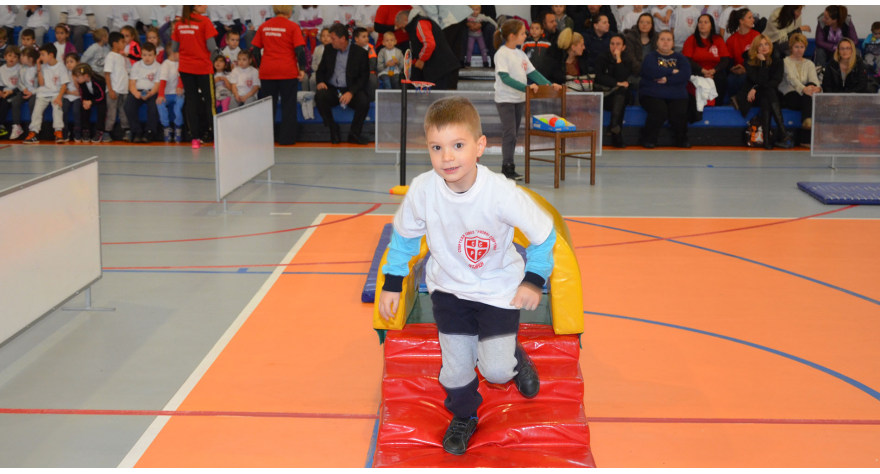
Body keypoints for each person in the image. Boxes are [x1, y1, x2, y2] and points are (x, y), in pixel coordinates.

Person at [377, 95, 553, 457]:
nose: (447, 157)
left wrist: (533, 280)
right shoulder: (424, 190)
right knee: (456, 369)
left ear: (480, 146)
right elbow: (405, 238)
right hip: (449, 289)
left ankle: (514, 358)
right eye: (437, 147)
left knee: (497, 371)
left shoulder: (500, 193)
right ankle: (463, 414)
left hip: (498, 288)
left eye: (458, 146)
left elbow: (544, 234)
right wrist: (392, 282)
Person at [492, 19, 561, 180]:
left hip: (519, 99)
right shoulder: (501, 54)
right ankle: (507, 167)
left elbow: (533, 74)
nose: (526, 36)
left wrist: (550, 86)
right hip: (505, 100)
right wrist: (527, 88)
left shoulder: (521, 53)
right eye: (523, 33)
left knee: (514, 134)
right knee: (509, 133)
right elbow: (505, 78)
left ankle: (509, 165)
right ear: (512, 36)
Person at [251, 5, 307, 146]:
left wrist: (260, 66)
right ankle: (287, 139)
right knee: (288, 105)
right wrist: (301, 68)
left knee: (268, 106)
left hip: (268, 71)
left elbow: (255, 50)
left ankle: (265, 139)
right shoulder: (293, 27)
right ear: (289, 11)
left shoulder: (264, 26)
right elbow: (300, 50)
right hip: (287, 71)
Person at [731, 35, 793, 149]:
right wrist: (763, 64)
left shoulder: (778, 60)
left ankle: (767, 140)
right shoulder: (749, 61)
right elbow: (757, 80)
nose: (764, 47)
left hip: (764, 93)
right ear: (756, 48)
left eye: (766, 44)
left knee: (767, 97)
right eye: (760, 45)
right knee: (768, 93)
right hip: (751, 97)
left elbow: (775, 81)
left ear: (770, 46)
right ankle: (782, 132)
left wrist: (755, 88)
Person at [315, 23, 371, 145]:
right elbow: (320, 70)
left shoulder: (360, 53)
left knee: (364, 101)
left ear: (343, 39)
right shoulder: (329, 49)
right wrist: (320, 82)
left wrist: (351, 92)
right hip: (332, 89)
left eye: (333, 38)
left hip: (350, 89)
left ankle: (354, 134)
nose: (331, 41)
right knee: (319, 96)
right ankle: (333, 128)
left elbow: (364, 78)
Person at [172, 5, 218, 148]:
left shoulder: (180, 24)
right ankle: (216, 138)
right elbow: (212, 47)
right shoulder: (205, 22)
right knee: (210, 103)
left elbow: (174, 48)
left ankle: (195, 139)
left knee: (191, 102)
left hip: (186, 68)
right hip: (203, 68)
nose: (206, 5)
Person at [639, 30, 692, 149]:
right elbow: (649, 71)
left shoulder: (680, 58)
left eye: (669, 40)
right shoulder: (650, 57)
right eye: (662, 39)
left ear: (673, 43)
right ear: (657, 42)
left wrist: (667, 80)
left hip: (677, 95)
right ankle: (649, 139)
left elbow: (685, 75)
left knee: (678, 113)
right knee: (659, 111)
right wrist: (671, 71)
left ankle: (682, 140)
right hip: (652, 94)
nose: (665, 42)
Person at [397, 9, 460, 91]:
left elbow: (429, 44)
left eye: (402, 27)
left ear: (405, 19)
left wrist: (421, 59)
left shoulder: (420, 23)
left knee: (442, 99)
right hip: (440, 69)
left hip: (442, 70)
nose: (403, 30)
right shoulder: (418, 23)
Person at [779, 33, 820, 145]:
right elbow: (791, 78)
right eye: (796, 47)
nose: (799, 50)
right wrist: (804, 89)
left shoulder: (809, 63)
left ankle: (807, 123)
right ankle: (806, 137)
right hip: (789, 93)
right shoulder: (785, 61)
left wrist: (817, 89)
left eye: (802, 47)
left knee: (810, 89)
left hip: (805, 95)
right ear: (791, 48)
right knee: (808, 99)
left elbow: (814, 80)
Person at [23, 44, 68, 144]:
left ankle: (58, 131)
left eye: (43, 55)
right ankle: (33, 132)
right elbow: (41, 83)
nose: (40, 57)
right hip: (43, 93)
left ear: (51, 55)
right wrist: (39, 68)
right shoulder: (43, 67)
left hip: (56, 93)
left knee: (57, 108)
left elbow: (64, 85)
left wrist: (59, 98)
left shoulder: (61, 66)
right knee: (37, 111)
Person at [596, 33, 634, 148]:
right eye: (612, 44)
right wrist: (616, 83)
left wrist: (618, 59)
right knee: (620, 97)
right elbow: (599, 77)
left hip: (619, 95)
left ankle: (613, 126)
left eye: (618, 44)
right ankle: (616, 134)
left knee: (621, 94)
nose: (614, 47)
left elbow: (622, 76)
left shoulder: (627, 60)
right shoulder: (601, 58)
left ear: (623, 47)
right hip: (605, 95)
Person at [683, 14, 729, 108]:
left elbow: (725, 60)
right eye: (700, 22)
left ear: (711, 25)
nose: (702, 24)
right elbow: (686, 60)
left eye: (705, 22)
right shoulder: (691, 39)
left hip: (714, 71)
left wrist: (714, 70)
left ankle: (717, 107)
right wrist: (702, 70)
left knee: (721, 79)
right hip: (696, 70)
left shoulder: (718, 39)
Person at [421, 5, 472, 88]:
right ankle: (451, 88)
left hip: (448, 19)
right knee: (455, 56)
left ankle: (445, 88)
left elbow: (431, 10)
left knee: (444, 57)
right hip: (460, 14)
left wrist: (437, 30)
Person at [124, 42, 161, 143]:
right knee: (128, 106)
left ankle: (150, 132)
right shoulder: (136, 65)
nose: (147, 58)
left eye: (150, 55)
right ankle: (136, 131)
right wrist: (136, 93)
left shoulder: (158, 67)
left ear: (155, 55)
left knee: (154, 107)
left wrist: (150, 93)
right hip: (138, 91)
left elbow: (158, 84)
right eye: (144, 55)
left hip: (152, 91)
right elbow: (131, 83)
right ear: (141, 55)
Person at [726, 8, 759, 103]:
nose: (753, 20)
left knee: (744, 79)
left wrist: (746, 70)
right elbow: (729, 62)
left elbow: (761, 60)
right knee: (730, 80)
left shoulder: (756, 36)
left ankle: (741, 101)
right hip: (738, 70)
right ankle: (734, 101)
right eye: (750, 17)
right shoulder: (731, 40)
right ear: (741, 21)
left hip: (753, 69)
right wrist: (734, 69)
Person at [624, 13, 658, 102]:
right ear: (637, 23)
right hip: (634, 74)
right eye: (642, 22)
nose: (644, 24)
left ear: (652, 25)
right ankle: (637, 112)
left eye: (647, 22)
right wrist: (647, 73)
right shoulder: (629, 37)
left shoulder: (657, 38)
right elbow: (631, 60)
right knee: (646, 83)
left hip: (652, 74)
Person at [103, 32, 130, 143]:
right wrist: (110, 90)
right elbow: (107, 74)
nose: (124, 43)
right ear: (115, 44)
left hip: (123, 90)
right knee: (112, 113)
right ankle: (106, 132)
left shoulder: (121, 56)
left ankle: (127, 131)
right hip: (114, 90)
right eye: (122, 42)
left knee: (123, 111)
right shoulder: (110, 56)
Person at [71, 63, 107, 143]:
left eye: (77, 77)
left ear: (86, 76)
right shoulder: (82, 83)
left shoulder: (99, 81)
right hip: (89, 98)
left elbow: (102, 96)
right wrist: (85, 102)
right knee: (83, 107)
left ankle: (99, 130)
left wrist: (91, 102)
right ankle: (85, 130)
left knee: (102, 108)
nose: (76, 79)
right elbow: (83, 94)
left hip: (99, 98)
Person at [530, 11, 567, 86]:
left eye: (555, 21)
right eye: (552, 22)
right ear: (543, 25)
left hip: (552, 80)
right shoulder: (529, 40)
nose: (555, 24)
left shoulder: (558, 39)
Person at [156, 44, 183, 143]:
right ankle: (166, 126)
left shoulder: (180, 63)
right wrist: (161, 95)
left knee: (179, 105)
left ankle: (178, 127)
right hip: (167, 93)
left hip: (177, 94)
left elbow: (181, 76)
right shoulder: (165, 65)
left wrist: (180, 86)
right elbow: (162, 81)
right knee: (160, 103)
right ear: (173, 54)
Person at [11, 47, 38, 140]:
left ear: (30, 59)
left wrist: (32, 92)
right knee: (15, 101)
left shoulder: (37, 69)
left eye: (23, 56)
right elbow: (18, 82)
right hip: (25, 91)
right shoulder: (22, 68)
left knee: (32, 103)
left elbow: (42, 85)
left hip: (35, 92)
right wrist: (24, 89)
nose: (20, 58)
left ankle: (33, 128)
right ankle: (17, 126)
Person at [0, 46, 21, 138]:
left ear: (18, 59)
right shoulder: (1, 69)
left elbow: (20, 85)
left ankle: (1, 126)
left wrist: (10, 92)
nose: (12, 58)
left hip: (15, 92)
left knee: (5, 102)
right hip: (4, 91)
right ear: (5, 57)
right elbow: (1, 84)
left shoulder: (20, 68)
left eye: (15, 56)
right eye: (10, 55)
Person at [60, 52, 80, 142]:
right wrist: (70, 92)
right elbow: (63, 87)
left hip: (77, 96)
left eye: (71, 61)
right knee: (64, 110)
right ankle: (65, 131)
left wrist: (74, 77)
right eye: (67, 62)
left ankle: (77, 131)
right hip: (68, 94)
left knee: (76, 110)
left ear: (77, 63)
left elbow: (79, 88)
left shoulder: (80, 72)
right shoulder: (64, 72)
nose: (69, 64)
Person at [305, 27, 331, 92]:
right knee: (312, 79)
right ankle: (312, 94)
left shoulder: (334, 48)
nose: (325, 38)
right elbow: (313, 64)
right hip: (318, 71)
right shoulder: (317, 49)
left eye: (328, 36)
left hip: (330, 72)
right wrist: (319, 70)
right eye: (323, 36)